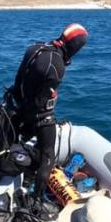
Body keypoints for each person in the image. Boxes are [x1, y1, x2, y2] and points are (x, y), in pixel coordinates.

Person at [8, 23, 88, 197]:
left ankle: (26, 174)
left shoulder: (36, 47)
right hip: (36, 113)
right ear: (75, 48)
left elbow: (19, 78)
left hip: (18, 106)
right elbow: (41, 104)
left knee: (29, 140)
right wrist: (46, 119)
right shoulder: (56, 65)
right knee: (48, 156)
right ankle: (36, 199)